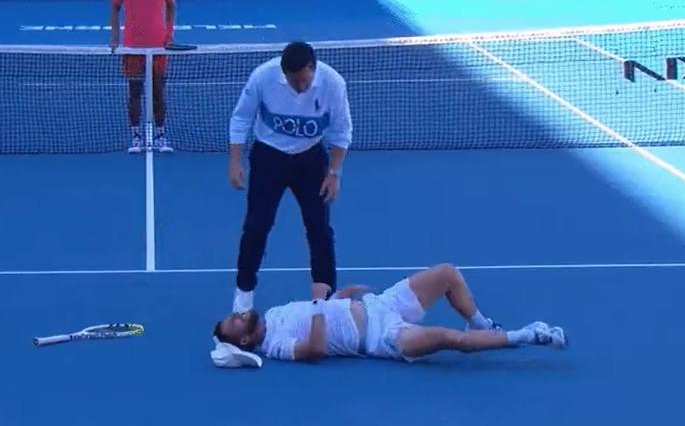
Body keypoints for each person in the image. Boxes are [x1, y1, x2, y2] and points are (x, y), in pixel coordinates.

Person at [212, 263, 567, 365]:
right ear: (245, 339)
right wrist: (322, 303)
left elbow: (318, 309)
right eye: (237, 320)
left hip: (380, 305)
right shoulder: (275, 346)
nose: (241, 314)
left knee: (446, 273)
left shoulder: (273, 313)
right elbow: (315, 349)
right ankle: (527, 334)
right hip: (381, 339)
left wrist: (338, 297)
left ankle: (486, 326)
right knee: (447, 338)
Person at [228, 41, 353, 312]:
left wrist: (334, 173)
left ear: (313, 67)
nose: (299, 87)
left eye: (303, 81)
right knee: (256, 226)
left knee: (319, 229)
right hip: (268, 157)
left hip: (310, 160)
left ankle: (326, 301)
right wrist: (235, 161)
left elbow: (342, 132)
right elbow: (241, 119)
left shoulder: (333, 84)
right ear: (282, 73)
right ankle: (244, 293)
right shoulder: (263, 76)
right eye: (292, 81)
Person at [110, 0, 176, 153]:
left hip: (158, 48)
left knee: (158, 92)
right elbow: (115, 8)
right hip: (133, 48)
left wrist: (169, 35)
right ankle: (135, 136)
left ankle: (160, 134)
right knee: (135, 92)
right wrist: (115, 38)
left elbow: (172, 7)